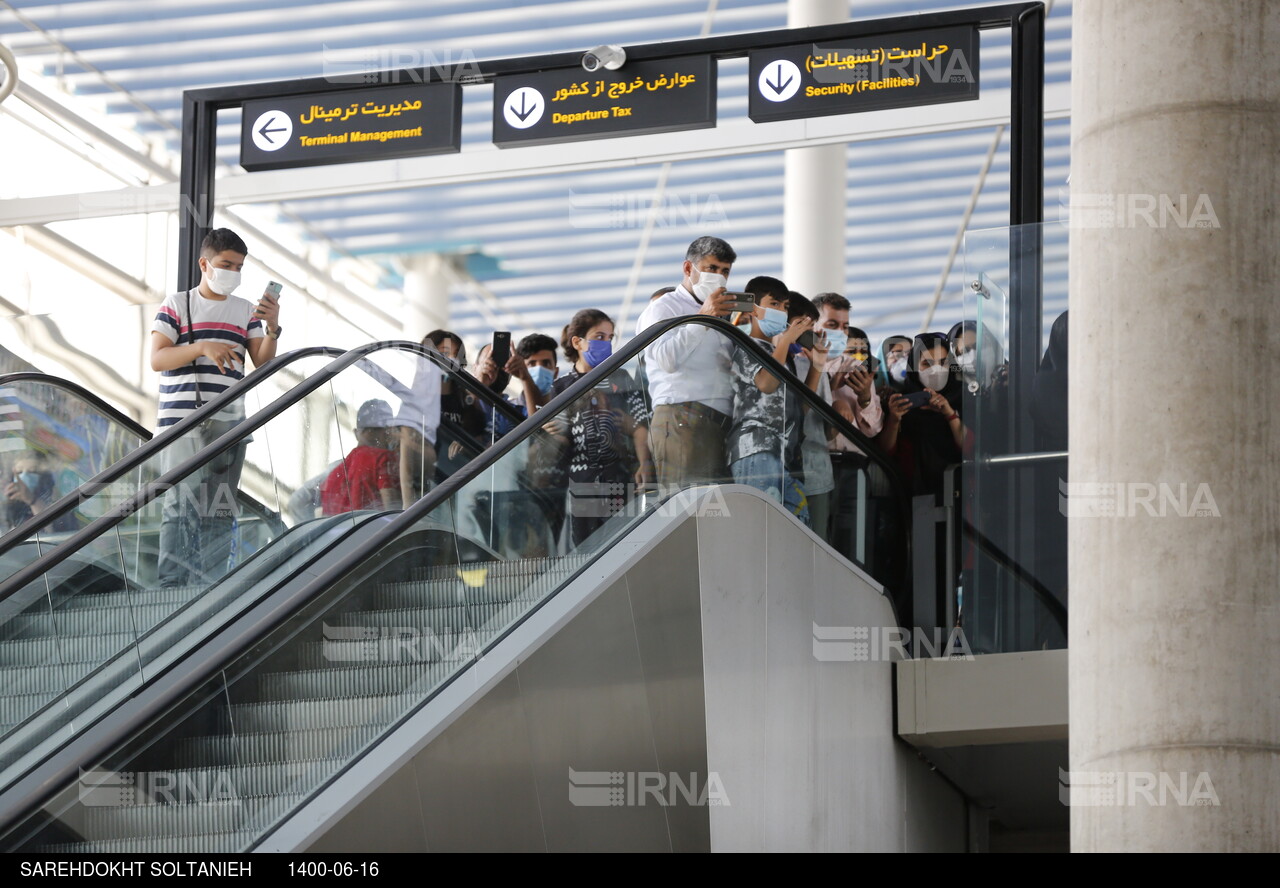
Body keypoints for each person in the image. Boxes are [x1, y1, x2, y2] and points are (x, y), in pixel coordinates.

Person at [150, 227, 281, 588]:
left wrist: (271, 328)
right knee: (179, 509)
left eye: (239, 267)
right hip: (181, 425)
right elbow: (158, 358)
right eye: (226, 264)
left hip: (229, 426)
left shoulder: (244, 311)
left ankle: (211, 586)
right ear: (204, 263)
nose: (233, 273)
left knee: (219, 510)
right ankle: (170, 586)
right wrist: (202, 347)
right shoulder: (177, 304)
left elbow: (262, 363)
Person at [634, 236, 739, 490]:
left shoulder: (721, 314)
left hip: (720, 424)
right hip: (683, 418)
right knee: (690, 513)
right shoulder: (664, 308)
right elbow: (666, 359)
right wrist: (704, 317)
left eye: (724, 271)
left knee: (715, 516)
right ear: (688, 269)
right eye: (711, 268)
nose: (719, 276)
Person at [549, 309, 652, 545]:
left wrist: (644, 463)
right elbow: (559, 441)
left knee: (623, 544)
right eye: (599, 337)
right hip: (581, 484)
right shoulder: (562, 387)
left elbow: (641, 427)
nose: (606, 343)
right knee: (586, 550)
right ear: (577, 342)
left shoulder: (621, 377)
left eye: (609, 337)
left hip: (619, 478)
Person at [727, 287, 814, 522]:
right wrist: (785, 341)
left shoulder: (780, 355)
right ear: (754, 309)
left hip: (787, 455)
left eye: (785, 307)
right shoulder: (745, 344)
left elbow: (802, 408)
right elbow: (766, 383)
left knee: (795, 533)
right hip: (757, 448)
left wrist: (818, 366)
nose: (781, 311)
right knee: (761, 529)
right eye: (774, 304)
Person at [878, 332, 967, 496]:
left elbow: (970, 448)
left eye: (943, 362)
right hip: (912, 493)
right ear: (914, 366)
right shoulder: (899, 401)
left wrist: (950, 414)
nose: (936, 370)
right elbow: (886, 452)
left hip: (961, 491)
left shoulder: (965, 397)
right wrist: (894, 419)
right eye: (927, 363)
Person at [319, 399, 400, 515]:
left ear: (357, 432)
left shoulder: (334, 475)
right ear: (371, 431)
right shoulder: (383, 459)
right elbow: (394, 513)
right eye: (387, 430)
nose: (390, 436)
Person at [4, 453, 56, 530]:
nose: (24, 476)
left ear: (44, 477)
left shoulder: (52, 499)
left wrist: (32, 500)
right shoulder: (11, 501)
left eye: (32, 471)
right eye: (19, 472)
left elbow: (50, 529)